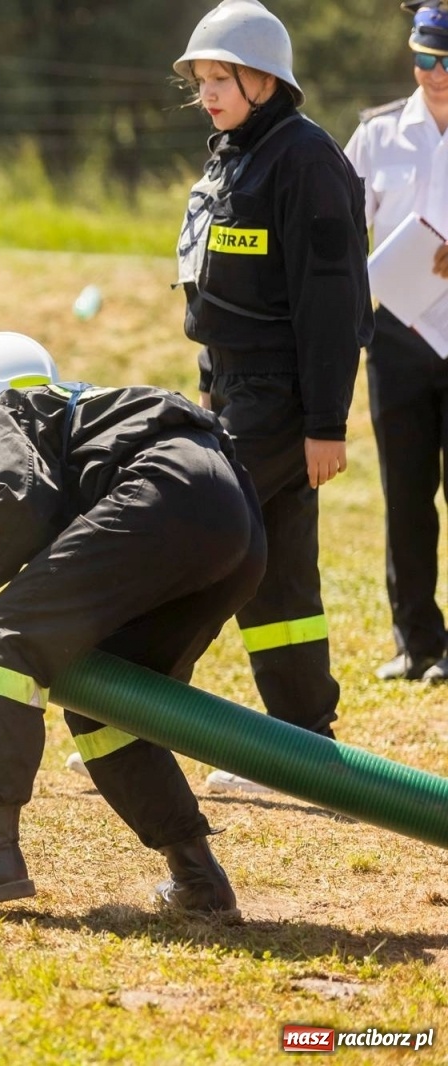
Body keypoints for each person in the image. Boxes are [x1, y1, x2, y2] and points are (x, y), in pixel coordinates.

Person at [0, 333, 266, 917]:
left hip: (164, 493)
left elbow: (17, 501)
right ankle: (198, 878)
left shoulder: (5, 409)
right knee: (104, 699)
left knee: (4, 637)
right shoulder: (83, 419)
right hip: (233, 520)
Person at [172, 0, 372, 794]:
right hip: (235, 391)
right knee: (281, 573)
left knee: (187, 540)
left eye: (224, 78)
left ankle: (127, 711)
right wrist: (213, 389)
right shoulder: (232, 155)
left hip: (284, 402)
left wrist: (326, 423)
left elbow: (334, 304)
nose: (210, 92)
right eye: (202, 79)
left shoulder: (305, 159)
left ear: (267, 81)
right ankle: (299, 747)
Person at [344, 2, 448, 683]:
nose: (432, 74)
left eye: (443, 62)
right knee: (406, 494)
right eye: (422, 59)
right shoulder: (378, 135)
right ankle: (418, 643)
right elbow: (341, 231)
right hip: (398, 336)